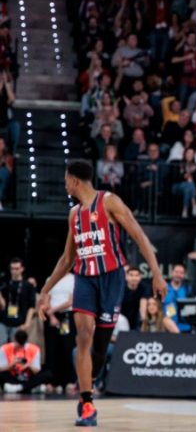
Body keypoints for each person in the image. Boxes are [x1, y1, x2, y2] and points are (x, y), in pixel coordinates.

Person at [37, 159, 166, 426]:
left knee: (100, 347)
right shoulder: (74, 215)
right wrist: (45, 289)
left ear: (73, 180)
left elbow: (139, 235)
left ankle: (90, 379)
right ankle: (87, 404)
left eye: (65, 179)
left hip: (112, 277)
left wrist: (156, 273)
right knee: (83, 333)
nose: (64, 184)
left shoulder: (109, 202)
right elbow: (67, 259)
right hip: (84, 279)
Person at [0, 258, 37, 344]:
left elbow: (31, 306)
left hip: (19, 322)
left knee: (16, 346)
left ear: (22, 269)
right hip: (3, 321)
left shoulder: (28, 286)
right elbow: (3, 306)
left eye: (17, 268)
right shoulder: (4, 284)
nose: (14, 271)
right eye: (12, 268)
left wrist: (27, 323)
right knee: (1, 345)